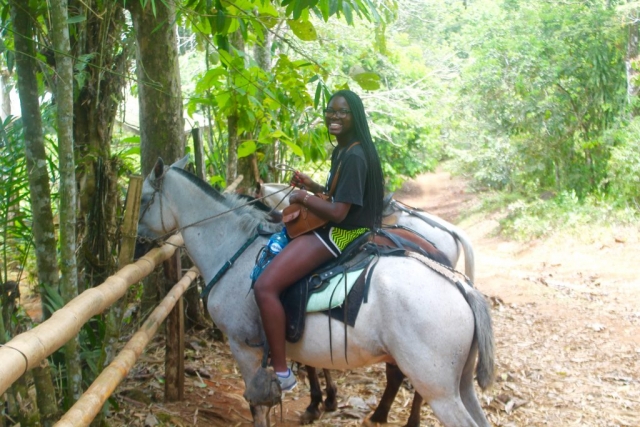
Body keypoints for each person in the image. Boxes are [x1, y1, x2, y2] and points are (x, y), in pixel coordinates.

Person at [253, 90, 385, 391]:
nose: (334, 117)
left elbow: (339, 213)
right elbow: (339, 194)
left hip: (342, 233)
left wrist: (302, 197)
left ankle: (282, 372)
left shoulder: (354, 156)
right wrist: (313, 186)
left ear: (355, 117)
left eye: (342, 112)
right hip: (342, 227)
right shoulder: (345, 149)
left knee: (265, 286)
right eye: (330, 111)